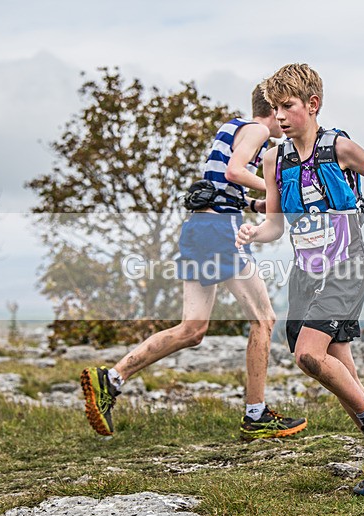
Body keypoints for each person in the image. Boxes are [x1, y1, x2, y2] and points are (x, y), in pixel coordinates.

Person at [81, 85, 308, 441]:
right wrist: (274, 190)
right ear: (272, 109)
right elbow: (234, 171)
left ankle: (110, 379)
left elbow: (222, 182)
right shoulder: (259, 130)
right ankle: (256, 414)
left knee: (192, 329)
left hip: (200, 227)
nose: (284, 121)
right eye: (281, 110)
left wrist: (252, 205)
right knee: (264, 319)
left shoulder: (231, 127)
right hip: (220, 231)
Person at [236, 63, 364, 496]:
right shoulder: (275, 158)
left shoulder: (340, 148)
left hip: (345, 267)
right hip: (304, 273)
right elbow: (276, 224)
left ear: (312, 105)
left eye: (288, 106)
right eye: (274, 108)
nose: (279, 117)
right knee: (339, 370)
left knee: (309, 356)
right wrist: (256, 232)